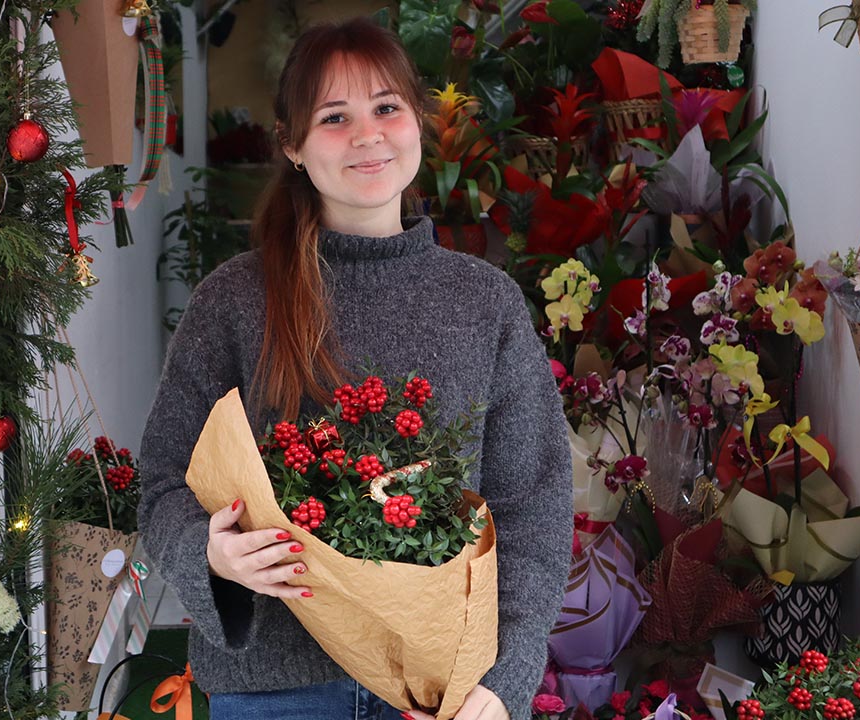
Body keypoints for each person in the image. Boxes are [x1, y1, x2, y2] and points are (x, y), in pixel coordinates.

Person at [137, 17, 571, 720]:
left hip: (441, 689)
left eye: (386, 108)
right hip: (275, 691)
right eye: (335, 116)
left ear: (417, 123)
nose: (367, 134)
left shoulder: (484, 303)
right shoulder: (235, 300)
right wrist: (209, 553)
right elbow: (162, 480)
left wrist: (506, 677)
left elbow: (533, 508)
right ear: (292, 144)